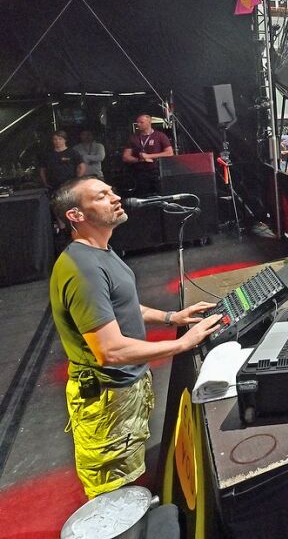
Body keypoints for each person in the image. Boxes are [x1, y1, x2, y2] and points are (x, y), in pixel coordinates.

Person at [49, 177, 219, 498]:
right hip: (106, 398)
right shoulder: (81, 268)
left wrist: (171, 317)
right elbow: (110, 350)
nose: (115, 198)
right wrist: (183, 343)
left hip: (125, 387)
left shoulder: (101, 252)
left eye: (112, 191)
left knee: (134, 472)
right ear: (76, 216)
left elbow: (123, 307)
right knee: (116, 493)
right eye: (101, 196)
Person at [121, 114, 173, 195]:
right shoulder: (133, 138)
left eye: (141, 122)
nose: (138, 124)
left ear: (149, 122)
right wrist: (139, 160)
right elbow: (125, 157)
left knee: (160, 193)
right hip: (140, 172)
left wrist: (149, 156)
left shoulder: (160, 135)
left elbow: (169, 153)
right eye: (137, 122)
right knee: (143, 194)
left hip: (157, 171)